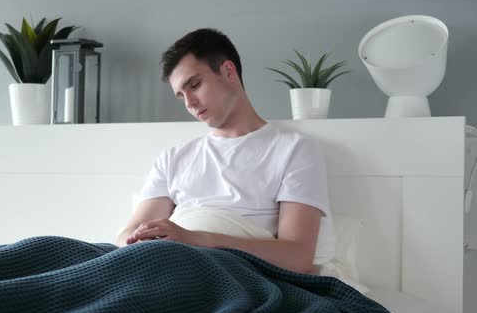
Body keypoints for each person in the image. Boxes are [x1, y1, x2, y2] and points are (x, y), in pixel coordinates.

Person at [115, 28, 330, 274]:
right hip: (161, 264)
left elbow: (298, 257)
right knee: (62, 250)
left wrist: (199, 240)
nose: (189, 103)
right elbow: (126, 235)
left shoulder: (294, 150)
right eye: (181, 96)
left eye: (194, 85)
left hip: (226, 274)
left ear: (228, 71)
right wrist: (140, 243)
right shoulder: (173, 158)